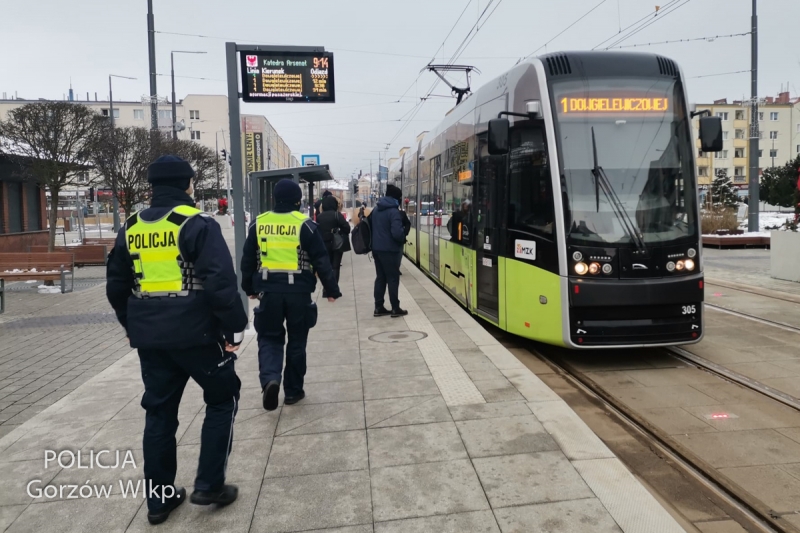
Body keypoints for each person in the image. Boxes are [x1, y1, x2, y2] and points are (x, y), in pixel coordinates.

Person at [106, 155, 248, 525]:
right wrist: (235, 327)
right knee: (222, 396)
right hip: (198, 336)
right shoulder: (196, 223)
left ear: (153, 186)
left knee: (159, 413)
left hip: (151, 341)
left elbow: (117, 285)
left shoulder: (131, 227)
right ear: (188, 185)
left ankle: (159, 500)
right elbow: (220, 283)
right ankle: (209, 484)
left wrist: (130, 325)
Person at [241, 179, 341, 412]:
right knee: (297, 341)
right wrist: (331, 290)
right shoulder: (305, 225)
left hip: (269, 292)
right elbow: (321, 260)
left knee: (269, 337)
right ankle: (293, 391)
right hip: (299, 292)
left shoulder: (258, 224)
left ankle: (270, 379)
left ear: (275, 199)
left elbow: (247, 261)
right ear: (298, 200)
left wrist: (250, 289)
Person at [371, 184, 408, 317]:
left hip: (376, 249)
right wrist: (403, 236)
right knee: (393, 278)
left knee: (380, 277)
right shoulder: (394, 212)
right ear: (396, 198)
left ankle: (378, 306)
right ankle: (395, 308)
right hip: (390, 250)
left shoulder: (376, 210)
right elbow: (397, 233)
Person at [316, 194, 351, 296]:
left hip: (323, 244)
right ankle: (334, 290)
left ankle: (325, 289)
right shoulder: (337, 215)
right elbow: (347, 229)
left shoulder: (319, 217)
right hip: (336, 244)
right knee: (335, 267)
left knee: (326, 267)